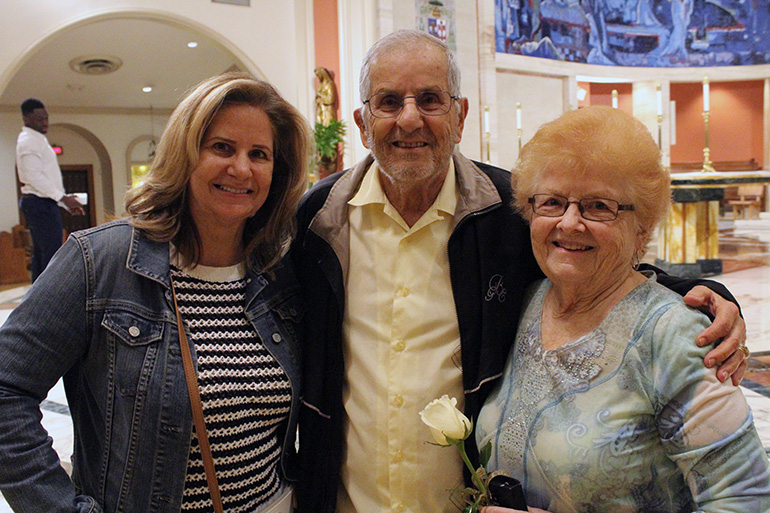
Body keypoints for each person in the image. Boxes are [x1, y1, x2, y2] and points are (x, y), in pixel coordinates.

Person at [292, 30, 748, 513]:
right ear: (363, 122)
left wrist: (702, 295)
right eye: (389, 102)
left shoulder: (508, 210)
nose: (410, 118)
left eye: (430, 99)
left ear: (460, 115)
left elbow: (593, 261)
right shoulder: (319, 218)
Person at [0, 72, 310, 513]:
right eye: (222, 147)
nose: (241, 168)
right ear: (185, 153)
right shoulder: (100, 261)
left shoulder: (276, 273)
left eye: (258, 154)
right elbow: (6, 388)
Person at [475, 106, 770, 513]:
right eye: (553, 203)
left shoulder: (676, 337)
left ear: (642, 227)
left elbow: (746, 500)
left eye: (599, 206)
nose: (569, 223)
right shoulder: (524, 302)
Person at [16, 98, 85, 282]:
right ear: (26, 118)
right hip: (39, 204)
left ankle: (38, 302)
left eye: (46, 117)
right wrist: (62, 197)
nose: (45, 122)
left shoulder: (37, 139)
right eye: (39, 118)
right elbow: (33, 177)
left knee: (43, 254)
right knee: (51, 254)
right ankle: (48, 300)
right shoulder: (29, 141)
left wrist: (62, 201)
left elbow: (44, 178)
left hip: (42, 202)